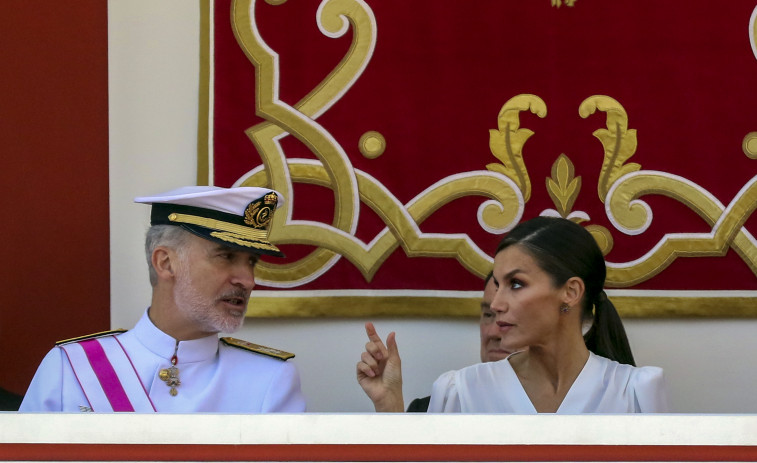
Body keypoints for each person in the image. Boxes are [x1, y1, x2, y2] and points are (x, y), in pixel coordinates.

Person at [19, 186, 306, 412]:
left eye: (252, 262)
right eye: (226, 256)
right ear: (166, 263)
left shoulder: (269, 379)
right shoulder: (70, 366)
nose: (247, 280)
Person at [359, 216, 669, 413]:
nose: (496, 305)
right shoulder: (460, 392)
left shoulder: (635, 393)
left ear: (571, 292)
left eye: (516, 284)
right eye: (498, 285)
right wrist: (390, 409)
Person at [358, 273, 517, 412]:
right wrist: (390, 408)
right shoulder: (432, 411)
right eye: (488, 315)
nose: (492, 332)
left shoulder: (541, 410)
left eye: (509, 317)